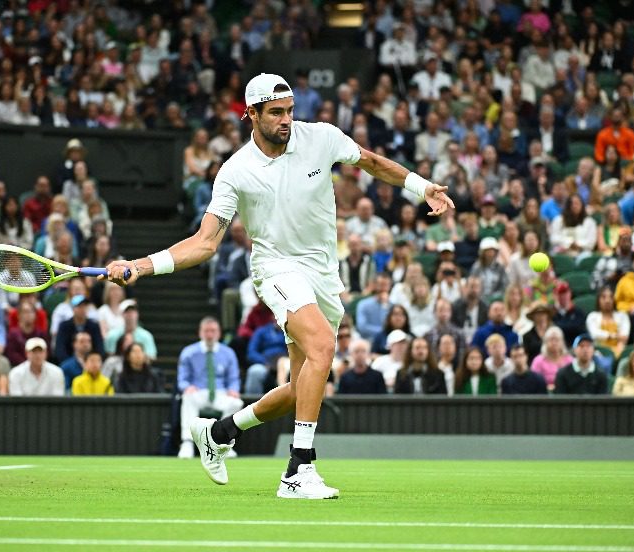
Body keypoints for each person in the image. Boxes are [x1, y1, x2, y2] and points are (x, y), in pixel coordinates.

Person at [103, 72, 453, 498]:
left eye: (289, 111)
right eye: (275, 113)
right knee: (323, 345)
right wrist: (143, 265)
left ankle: (217, 432)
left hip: (324, 272)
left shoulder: (322, 137)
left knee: (299, 387)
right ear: (251, 115)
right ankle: (298, 469)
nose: (287, 120)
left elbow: (371, 162)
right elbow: (204, 242)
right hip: (277, 269)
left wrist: (422, 187)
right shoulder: (235, 172)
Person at [176, 317, 242, 459]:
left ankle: (223, 444)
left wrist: (233, 389)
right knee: (187, 397)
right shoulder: (189, 352)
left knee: (237, 403)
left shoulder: (228, 353)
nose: (210, 335)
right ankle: (187, 442)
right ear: (200, 333)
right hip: (198, 392)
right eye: (206, 331)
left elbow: (234, 378)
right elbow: (182, 379)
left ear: (219, 333)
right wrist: (187, 387)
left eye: (213, 331)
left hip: (220, 393)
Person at [55, 295, 105, 363]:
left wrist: (94, 361)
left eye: (85, 306)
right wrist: (69, 364)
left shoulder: (94, 326)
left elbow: (99, 347)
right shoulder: (64, 326)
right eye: (79, 306)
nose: (83, 309)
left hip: (91, 362)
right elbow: (60, 349)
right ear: (73, 309)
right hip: (70, 362)